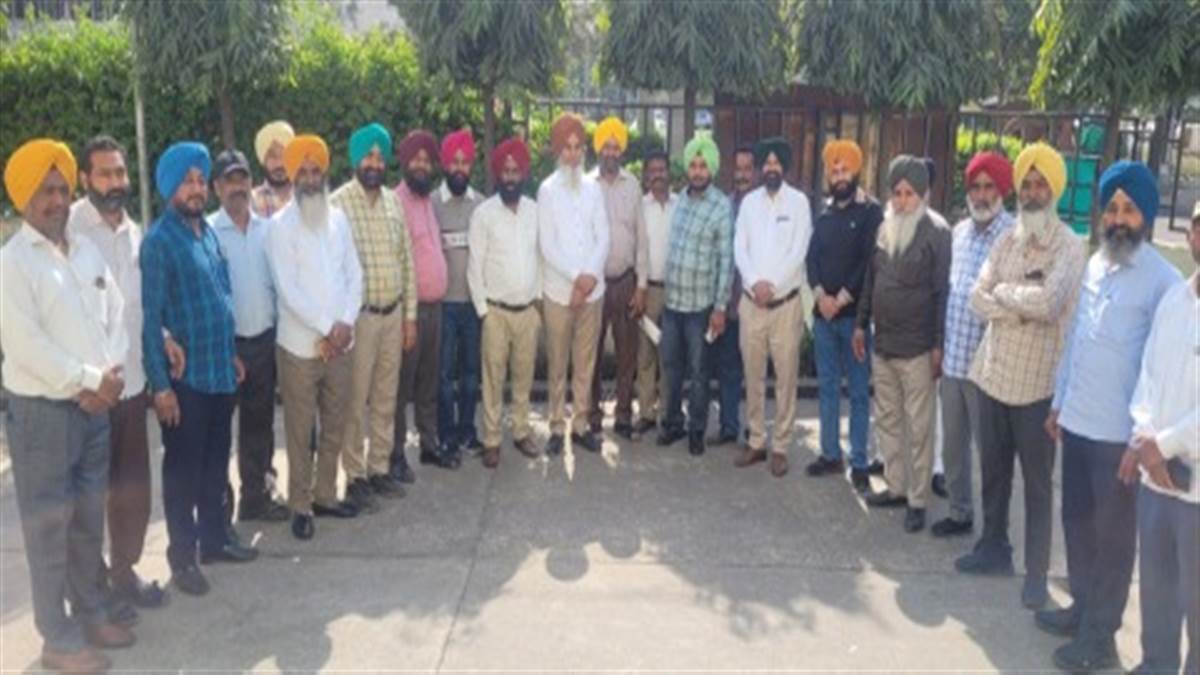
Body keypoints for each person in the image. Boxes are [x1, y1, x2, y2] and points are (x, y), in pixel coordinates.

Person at [1036, 161, 1180, 672]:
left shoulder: (1164, 282)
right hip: (1078, 422)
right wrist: (1059, 401)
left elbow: (1160, 370)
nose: (1119, 219)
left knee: (1113, 540)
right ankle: (1081, 608)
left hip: (1119, 438)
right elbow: (1076, 340)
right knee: (1077, 525)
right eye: (1112, 208)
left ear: (1147, 216)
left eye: (1130, 209)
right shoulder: (1096, 264)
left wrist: (1141, 440)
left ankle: (1100, 637)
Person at [2, 138, 135, 673]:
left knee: (86, 521)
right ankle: (56, 638)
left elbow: (116, 311)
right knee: (48, 532)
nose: (57, 200)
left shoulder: (84, 250)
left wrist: (111, 371)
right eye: (45, 191)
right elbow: (25, 346)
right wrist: (89, 379)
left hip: (94, 411)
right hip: (44, 417)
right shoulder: (12, 264)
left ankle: (91, 613)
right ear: (23, 198)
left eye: (61, 189)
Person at [957, 142, 1086, 610]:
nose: (1031, 193)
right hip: (992, 375)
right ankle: (993, 548)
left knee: (1036, 484)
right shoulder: (1006, 239)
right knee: (992, 471)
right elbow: (976, 295)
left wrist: (1005, 298)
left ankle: (1036, 574)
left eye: (1040, 185)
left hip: (1037, 386)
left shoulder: (1070, 246)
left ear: (1054, 190)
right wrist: (1019, 303)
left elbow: (1050, 303)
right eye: (1026, 184)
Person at [141, 142, 258, 599]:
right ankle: (183, 557)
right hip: (185, 383)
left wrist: (230, 354)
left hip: (219, 373)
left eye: (199, 181)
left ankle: (214, 540)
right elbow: (151, 318)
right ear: (170, 187)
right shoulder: (158, 242)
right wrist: (160, 386)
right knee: (183, 474)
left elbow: (221, 297)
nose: (195, 189)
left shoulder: (207, 233)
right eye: (186, 182)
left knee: (214, 465)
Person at [68, 135, 173, 615]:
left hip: (131, 385)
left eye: (120, 172)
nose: (115, 182)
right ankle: (91, 593)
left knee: (132, 490)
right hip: (88, 392)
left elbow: (141, 303)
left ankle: (124, 572)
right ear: (85, 178)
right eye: (105, 173)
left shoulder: (135, 231)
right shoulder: (70, 229)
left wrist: (165, 337)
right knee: (89, 497)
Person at [268, 134, 364, 540]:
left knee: (335, 421)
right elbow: (288, 290)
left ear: (324, 174)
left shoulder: (338, 219)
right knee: (300, 428)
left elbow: (354, 274)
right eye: (302, 171)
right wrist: (329, 326)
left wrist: (346, 322)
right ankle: (301, 504)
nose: (310, 178)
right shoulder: (279, 227)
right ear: (293, 177)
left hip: (341, 344)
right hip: (299, 348)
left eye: (315, 171)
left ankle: (326, 494)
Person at [1120, 204, 1199, 675]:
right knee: (1157, 590)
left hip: (1194, 492)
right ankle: (1155, 665)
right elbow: (1146, 377)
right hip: (1157, 481)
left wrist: (1161, 446)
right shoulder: (1174, 300)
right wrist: (1143, 436)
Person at [854, 155, 951, 534]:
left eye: (910, 194)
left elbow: (941, 294)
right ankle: (895, 487)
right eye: (897, 193)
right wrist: (860, 325)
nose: (902, 201)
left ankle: (917, 500)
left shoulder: (937, 232)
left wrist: (938, 346)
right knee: (888, 421)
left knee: (920, 429)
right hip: (884, 344)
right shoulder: (884, 227)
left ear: (922, 195)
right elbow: (871, 280)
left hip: (917, 349)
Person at [331, 122, 417, 508]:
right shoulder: (337, 204)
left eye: (380, 157)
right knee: (355, 400)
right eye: (368, 156)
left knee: (386, 397)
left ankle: (379, 467)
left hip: (392, 316)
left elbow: (407, 261)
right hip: (359, 320)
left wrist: (409, 317)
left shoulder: (394, 202)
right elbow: (332, 268)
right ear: (355, 159)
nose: (375, 164)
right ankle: (354, 475)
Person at [929, 151, 1014, 537]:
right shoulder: (959, 232)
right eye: (975, 187)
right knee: (953, 448)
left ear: (1002, 191)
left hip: (989, 368)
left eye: (989, 187)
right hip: (953, 361)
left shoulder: (1013, 237)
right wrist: (939, 348)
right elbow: (948, 293)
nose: (981, 195)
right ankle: (960, 513)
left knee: (991, 454)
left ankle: (994, 532)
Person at [209, 149, 288, 524]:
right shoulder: (208, 232)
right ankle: (219, 508)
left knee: (259, 426)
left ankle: (255, 498)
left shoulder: (267, 230)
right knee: (219, 433)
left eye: (242, 179)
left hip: (263, 342)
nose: (237, 187)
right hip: (225, 349)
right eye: (229, 181)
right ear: (216, 188)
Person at [804, 139, 881, 491]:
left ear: (856, 171)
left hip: (855, 321)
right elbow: (812, 259)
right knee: (828, 387)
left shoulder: (870, 213)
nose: (839, 176)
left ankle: (859, 460)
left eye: (844, 169)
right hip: (824, 318)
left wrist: (842, 299)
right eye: (833, 170)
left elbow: (868, 263)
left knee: (859, 392)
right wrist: (821, 296)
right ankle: (830, 454)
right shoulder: (824, 214)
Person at [733, 137, 812, 478]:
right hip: (752, 304)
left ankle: (780, 446)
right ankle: (756, 440)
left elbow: (799, 251)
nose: (771, 168)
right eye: (766, 163)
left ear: (785, 167)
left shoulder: (799, 203)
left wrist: (772, 286)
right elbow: (740, 247)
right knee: (753, 376)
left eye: (776, 163)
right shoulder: (749, 204)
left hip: (784, 305)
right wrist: (754, 284)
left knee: (785, 378)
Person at [467, 137, 543, 468]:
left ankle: (522, 431)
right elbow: (475, 265)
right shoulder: (484, 214)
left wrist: (538, 302)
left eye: (516, 170)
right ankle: (492, 439)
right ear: (498, 174)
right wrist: (483, 312)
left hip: (527, 311)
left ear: (523, 173)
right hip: (495, 312)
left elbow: (541, 256)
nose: (511, 177)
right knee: (493, 379)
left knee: (524, 377)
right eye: (506, 171)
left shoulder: (535, 211)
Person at [657, 134, 734, 456]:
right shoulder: (681, 201)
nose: (698, 171)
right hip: (673, 304)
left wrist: (720, 308)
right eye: (693, 165)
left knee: (700, 373)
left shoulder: (721, 206)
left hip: (701, 308)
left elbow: (726, 261)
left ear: (712, 168)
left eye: (703, 166)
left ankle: (696, 430)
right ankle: (673, 423)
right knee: (671, 368)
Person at [538, 113, 609, 457]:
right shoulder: (547, 190)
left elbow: (603, 235)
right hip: (558, 292)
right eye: (566, 148)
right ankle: (555, 425)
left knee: (585, 362)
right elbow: (547, 244)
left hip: (592, 293)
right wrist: (577, 278)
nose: (572, 154)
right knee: (557, 362)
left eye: (578, 147)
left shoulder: (594, 188)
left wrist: (589, 279)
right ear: (557, 151)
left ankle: (580, 425)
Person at [393, 129, 457, 470]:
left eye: (426, 160)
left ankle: (429, 445)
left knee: (429, 383)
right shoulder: (396, 202)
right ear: (405, 162)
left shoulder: (428, 201)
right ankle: (395, 454)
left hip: (436, 308)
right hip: (411, 310)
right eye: (415, 159)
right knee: (401, 386)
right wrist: (408, 315)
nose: (421, 165)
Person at [587, 116, 646, 440]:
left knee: (627, 353)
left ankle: (623, 415)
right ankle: (592, 415)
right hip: (594, 284)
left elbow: (641, 239)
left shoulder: (632, 185)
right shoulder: (587, 184)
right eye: (605, 146)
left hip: (625, 281)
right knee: (591, 353)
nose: (610, 152)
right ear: (598, 148)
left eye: (615, 146)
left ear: (621, 150)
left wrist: (641, 285)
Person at [435, 129, 485, 461]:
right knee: (443, 374)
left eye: (465, 162)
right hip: (443, 304)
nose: (459, 168)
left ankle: (467, 430)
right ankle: (446, 434)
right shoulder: (432, 204)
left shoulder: (480, 204)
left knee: (470, 372)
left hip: (472, 304)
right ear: (444, 164)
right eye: (454, 161)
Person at [709, 145, 755, 446]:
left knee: (754, 370)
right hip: (728, 300)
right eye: (738, 169)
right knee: (727, 367)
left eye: (747, 169)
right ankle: (729, 427)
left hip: (756, 302)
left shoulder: (764, 207)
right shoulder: (724, 206)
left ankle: (754, 430)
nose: (742, 175)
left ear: (756, 172)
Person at [632, 149, 677, 436]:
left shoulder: (680, 204)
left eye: (662, 169)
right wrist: (639, 288)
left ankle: (668, 413)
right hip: (647, 289)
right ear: (646, 175)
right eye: (653, 170)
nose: (658, 175)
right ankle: (646, 412)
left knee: (669, 355)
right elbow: (637, 249)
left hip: (675, 291)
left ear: (668, 173)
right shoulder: (641, 207)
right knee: (645, 354)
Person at [251, 120, 295, 218]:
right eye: (272, 156)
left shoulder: (306, 195)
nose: (279, 163)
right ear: (263, 161)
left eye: (284, 155)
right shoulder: (251, 202)